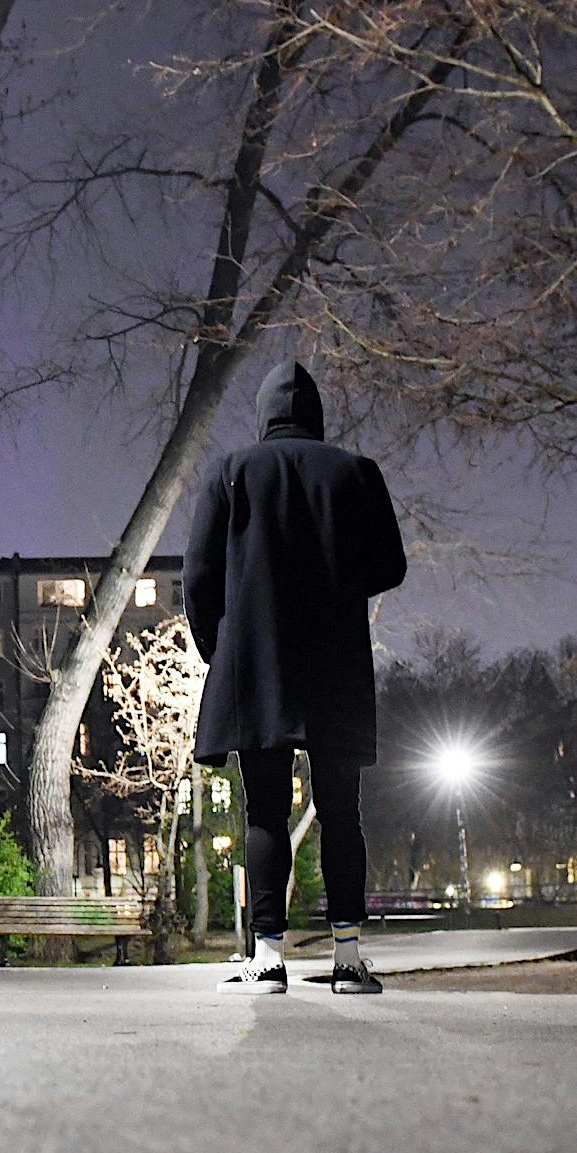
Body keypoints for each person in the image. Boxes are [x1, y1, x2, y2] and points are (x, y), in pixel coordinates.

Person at [184, 360, 406, 994]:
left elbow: (198, 580)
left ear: (262, 414)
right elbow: (390, 565)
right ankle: (348, 958)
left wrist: (219, 653)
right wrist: (337, 580)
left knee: (265, 814)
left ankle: (270, 957)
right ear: (315, 412)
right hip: (335, 662)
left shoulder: (231, 473)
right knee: (343, 813)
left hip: (259, 668)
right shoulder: (356, 472)